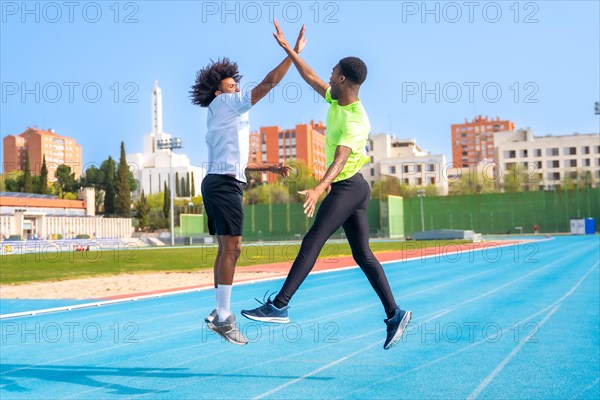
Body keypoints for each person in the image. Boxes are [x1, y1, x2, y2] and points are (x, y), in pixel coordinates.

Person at [242, 21, 412, 350]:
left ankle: (279, 305)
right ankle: (394, 314)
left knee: (314, 239)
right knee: (363, 254)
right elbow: (309, 77)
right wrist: (290, 50)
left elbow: (339, 158)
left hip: (347, 187)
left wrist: (320, 188)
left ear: (344, 78)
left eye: (333, 72)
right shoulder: (337, 101)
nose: (329, 76)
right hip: (354, 186)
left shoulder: (356, 119)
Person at [190, 25, 306, 346]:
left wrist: (270, 166)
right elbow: (268, 84)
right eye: (231, 84)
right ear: (219, 91)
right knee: (234, 248)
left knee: (225, 248)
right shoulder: (228, 104)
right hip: (225, 185)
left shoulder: (221, 112)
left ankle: (219, 312)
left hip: (217, 181)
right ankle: (224, 316)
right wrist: (291, 53)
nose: (237, 86)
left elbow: (238, 159)